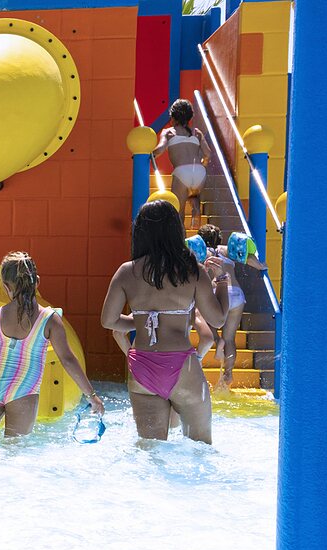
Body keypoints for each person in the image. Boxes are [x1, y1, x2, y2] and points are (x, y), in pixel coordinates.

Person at [101, 199, 226, 442]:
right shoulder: (192, 270)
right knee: (199, 447)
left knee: (150, 452)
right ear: (175, 231)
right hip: (182, 367)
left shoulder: (127, 271)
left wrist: (140, 321)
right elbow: (218, 320)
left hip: (142, 367)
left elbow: (109, 320)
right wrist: (222, 280)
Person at [0, 252, 103, 437]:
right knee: (15, 448)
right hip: (24, 390)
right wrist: (91, 396)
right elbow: (68, 359)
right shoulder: (49, 319)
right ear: (37, 282)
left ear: (6, 286)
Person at [193, 225, 268, 385]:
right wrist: (261, 266)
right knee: (230, 338)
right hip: (236, 294)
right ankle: (228, 374)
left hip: (217, 289)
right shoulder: (227, 250)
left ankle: (215, 339)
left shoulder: (202, 252)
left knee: (201, 315)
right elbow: (247, 258)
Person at [153, 99, 212, 232]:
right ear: (190, 116)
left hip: (181, 172)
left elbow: (160, 149)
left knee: (178, 211)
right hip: (199, 172)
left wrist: (148, 154)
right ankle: (196, 209)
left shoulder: (169, 132)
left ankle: (182, 239)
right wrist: (203, 164)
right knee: (194, 196)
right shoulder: (196, 132)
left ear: (172, 117)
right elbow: (208, 153)